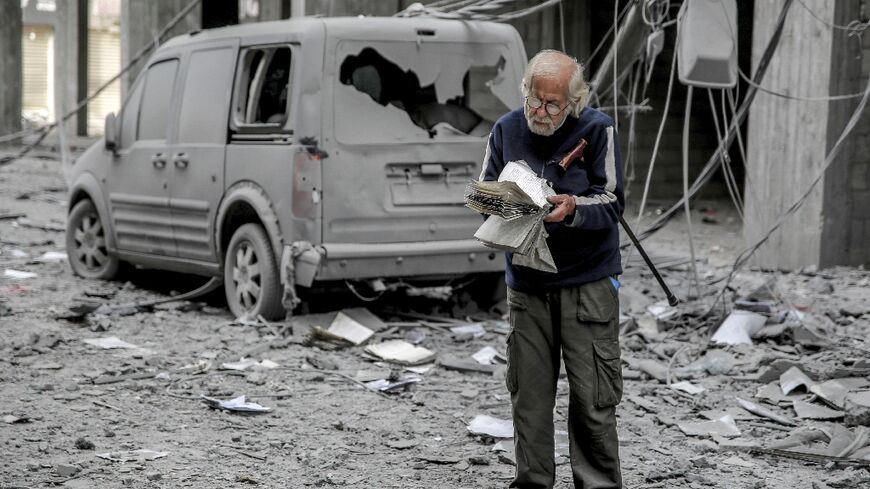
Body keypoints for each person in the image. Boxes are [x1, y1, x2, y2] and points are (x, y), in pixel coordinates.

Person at [478, 49, 625, 489]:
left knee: (592, 398)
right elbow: (486, 195)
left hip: (588, 283)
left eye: (552, 104)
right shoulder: (505, 129)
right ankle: (533, 483)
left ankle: (597, 485)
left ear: (573, 102)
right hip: (527, 283)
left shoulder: (598, 129)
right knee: (529, 397)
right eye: (534, 101)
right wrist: (504, 205)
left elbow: (615, 203)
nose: (540, 112)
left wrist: (573, 206)